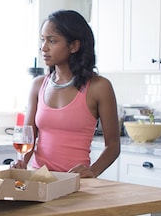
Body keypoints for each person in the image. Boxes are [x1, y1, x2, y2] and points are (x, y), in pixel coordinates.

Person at [18, 10, 120, 178]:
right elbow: (28, 138)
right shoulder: (38, 85)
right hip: (39, 181)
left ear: (74, 46)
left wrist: (92, 172)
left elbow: (113, 145)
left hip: (77, 185)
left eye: (52, 41)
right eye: (42, 40)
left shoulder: (99, 87)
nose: (44, 48)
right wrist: (21, 162)